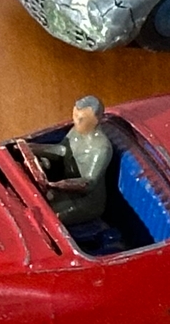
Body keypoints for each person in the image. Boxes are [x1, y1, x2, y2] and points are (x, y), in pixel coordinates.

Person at [29, 95, 115, 228]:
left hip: (86, 202)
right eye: (74, 116)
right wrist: (33, 148)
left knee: (45, 218)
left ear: (96, 119)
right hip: (66, 191)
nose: (75, 121)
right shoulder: (76, 131)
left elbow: (88, 183)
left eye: (80, 119)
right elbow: (62, 150)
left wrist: (59, 185)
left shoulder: (101, 148)